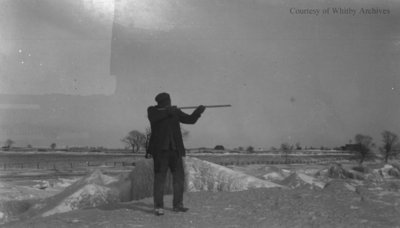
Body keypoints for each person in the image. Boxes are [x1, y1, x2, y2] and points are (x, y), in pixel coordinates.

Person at [147, 92, 206, 216]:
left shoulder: (175, 112)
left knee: (179, 179)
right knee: (159, 180)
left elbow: (190, 120)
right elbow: (154, 118)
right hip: (160, 152)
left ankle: (178, 205)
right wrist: (168, 111)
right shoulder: (153, 110)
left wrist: (198, 112)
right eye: (167, 101)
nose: (170, 102)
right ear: (162, 102)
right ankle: (158, 207)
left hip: (175, 151)